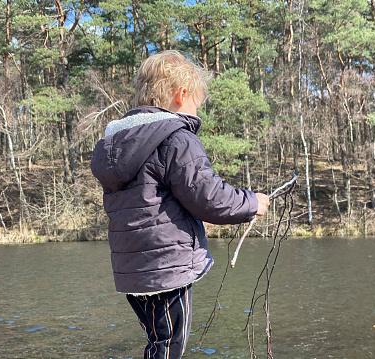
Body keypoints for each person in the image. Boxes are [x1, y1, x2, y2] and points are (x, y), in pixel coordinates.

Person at [91, 50, 269, 359]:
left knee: (158, 340)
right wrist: (253, 202)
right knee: (169, 346)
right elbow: (210, 199)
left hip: (131, 270)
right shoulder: (176, 138)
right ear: (181, 94)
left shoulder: (116, 142)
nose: (197, 114)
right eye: (196, 104)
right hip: (166, 267)